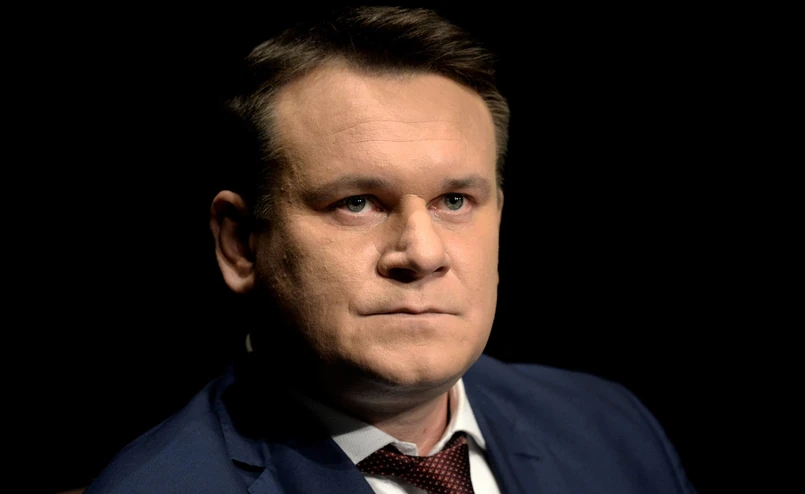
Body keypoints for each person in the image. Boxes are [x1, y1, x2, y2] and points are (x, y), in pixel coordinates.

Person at [85, 6, 697, 493]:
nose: (422, 254)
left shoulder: (609, 425)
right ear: (241, 244)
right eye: (357, 203)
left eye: (454, 200)